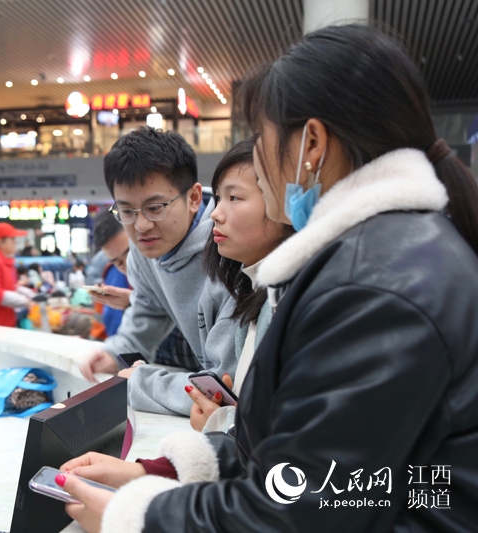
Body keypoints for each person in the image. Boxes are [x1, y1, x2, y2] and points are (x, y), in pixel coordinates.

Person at [55, 24, 478, 532]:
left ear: (312, 145)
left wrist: (139, 517)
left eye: (262, 139)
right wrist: (152, 471)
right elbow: (315, 470)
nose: (256, 159)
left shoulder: (369, 286)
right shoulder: (380, 256)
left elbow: (303, 511)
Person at [80, 127, 237, 416]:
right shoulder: (144, 253)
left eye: (155, 208)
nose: (141, 226)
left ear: (193, 198)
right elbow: (143, 326)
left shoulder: (231, 249)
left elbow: (225, 388)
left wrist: (140, 384)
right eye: (127, 211)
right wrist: (112, 355)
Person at [182, 137, 292, 432]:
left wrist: (222, 423)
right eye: (218, 198)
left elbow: (285, 430)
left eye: (234, 198)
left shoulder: (287, 298)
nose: (216, 213)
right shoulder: (256, 293)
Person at [91, 209, 201, 370]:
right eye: (118, 262)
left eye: (130, 254)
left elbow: (201, 345)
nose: (128, 266)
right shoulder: (113, 278)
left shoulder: (178, 265)